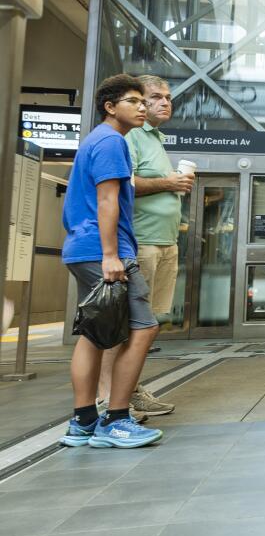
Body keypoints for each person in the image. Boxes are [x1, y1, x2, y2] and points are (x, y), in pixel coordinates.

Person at [60, 74, 163, 449]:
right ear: (110, 106)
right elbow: (107, 201)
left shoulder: (96, 140)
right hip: (102, 250)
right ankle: (117, 419)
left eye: (143, 101)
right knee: (144, 328)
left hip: (81, 248)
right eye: (134, 101)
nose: (142, 107)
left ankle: (83, 421)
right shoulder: (111, 142)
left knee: (94, 334)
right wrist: (111, 255)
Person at [95, 74, 188, 420]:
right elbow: (122, 184)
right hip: (139, 243)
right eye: (154, 97)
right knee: (123, 324)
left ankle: (129, 389)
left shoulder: (155, 139)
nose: (164, 102)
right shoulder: (126, 137)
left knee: (146, 324)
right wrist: (169, 182)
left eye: (168, 97)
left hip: (165, 243)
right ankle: (107, 397)